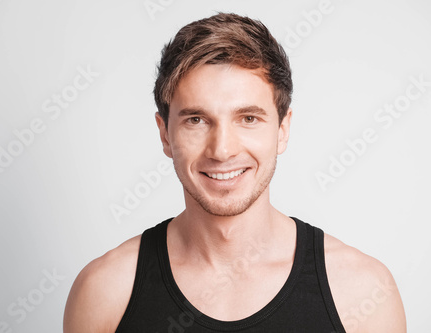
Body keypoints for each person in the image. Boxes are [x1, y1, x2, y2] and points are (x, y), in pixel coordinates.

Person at [63, 13, 406, 332]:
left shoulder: (363, 292)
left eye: (248, 118)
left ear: (283, 129)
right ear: (165, 134)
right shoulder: (105, 291)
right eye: (196, 120)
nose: (222, 150)